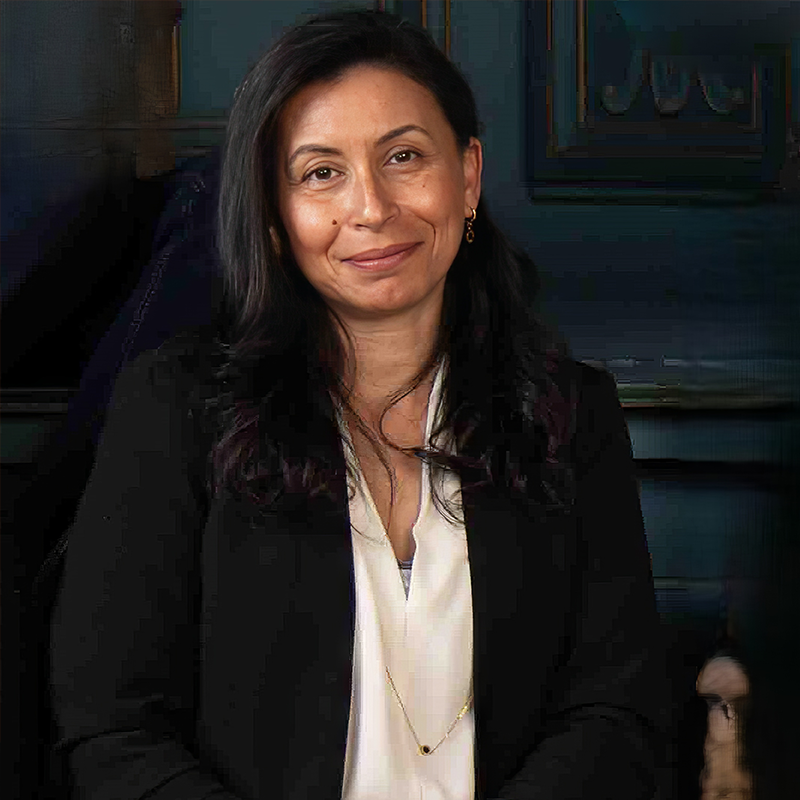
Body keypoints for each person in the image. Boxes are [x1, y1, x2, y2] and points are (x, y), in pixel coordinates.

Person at [50, 10, 674, 800]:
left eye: (404, 156)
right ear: (274, 215)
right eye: (321, 173)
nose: (371, 207)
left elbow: (616, 712)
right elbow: (113, 730)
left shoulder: (571, 413)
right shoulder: (175, 410)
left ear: (468, 175)